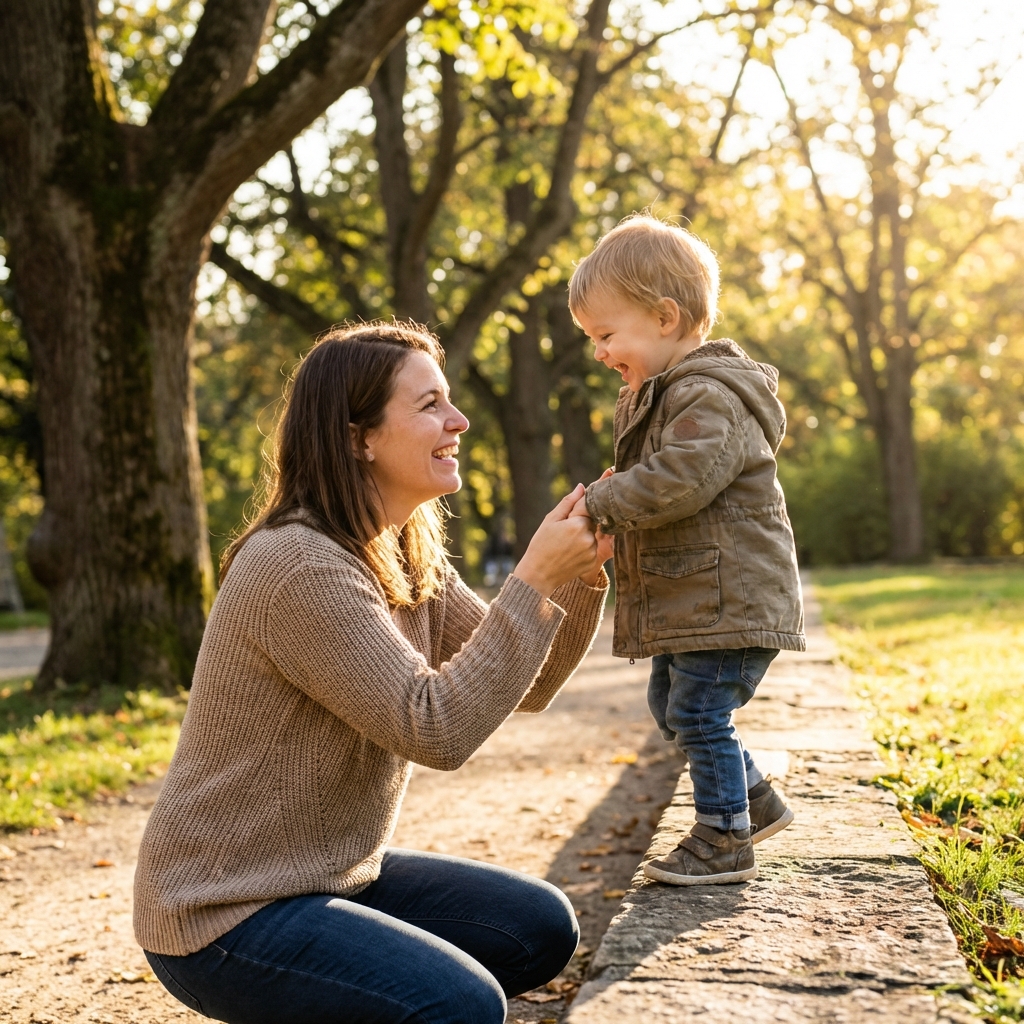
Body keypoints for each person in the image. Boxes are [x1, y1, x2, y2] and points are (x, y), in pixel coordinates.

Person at [133, 321, 613, 1024]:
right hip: (222, 912)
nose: (460, 420)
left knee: (538, 927)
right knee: (461, 1008)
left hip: (331, 877)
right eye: (430, 406)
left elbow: (527, 684)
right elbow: (437, 728)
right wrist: (533, 577)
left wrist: (576, 576)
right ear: (359, 437)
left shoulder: (403, 548)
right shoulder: (299, 563)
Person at [567, 213, 805, 886]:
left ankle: (723, 839)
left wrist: (603, 501)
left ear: (666, 317)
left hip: (726, 595)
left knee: (699, 712)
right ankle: (753, 802)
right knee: (673, 708)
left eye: (606, 335)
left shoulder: (707, 393)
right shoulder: (666, 393)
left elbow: (682, 479)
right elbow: (667, 476)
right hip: (699, 595)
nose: (598, 352)